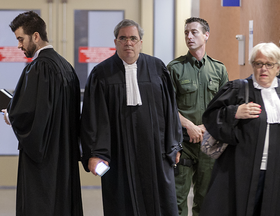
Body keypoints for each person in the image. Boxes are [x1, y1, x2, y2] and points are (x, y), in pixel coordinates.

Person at [80, 19, 183, 216]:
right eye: (123, 38)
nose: (129, 43)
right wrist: (96, 154)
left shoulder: (157, 68)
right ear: (116, 42)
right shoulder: (101, 73)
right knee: (121, 203)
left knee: (160, 202)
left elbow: (171, 109)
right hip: (118, 153)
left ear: (140, 42)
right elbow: (92, 117)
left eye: (133, 38)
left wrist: (174, 145)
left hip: (155, 152)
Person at [1, 11, 83, 216]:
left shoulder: (40, 67)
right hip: (63, 156)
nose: (19, 45)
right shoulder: (66, 67)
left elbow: (29, 113)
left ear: (36, 36)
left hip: (44, 160)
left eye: (21, 39)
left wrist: (11, 114)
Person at [200, 42, 280, 216]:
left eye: (269, 64)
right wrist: (234, 112)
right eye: (258, 63)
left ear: (278, 67)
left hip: (277, 170)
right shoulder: (238, 88)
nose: (263, 69)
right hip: (240, 170)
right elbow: (210, 117)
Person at [167, 17, 228, 216]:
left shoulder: (218, 70)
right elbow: (167, 107)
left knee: (206, 198)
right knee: (177, 199)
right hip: (183, 143)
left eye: (194, 32)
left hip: (209, 142)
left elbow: (225, 106)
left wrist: (204, 127)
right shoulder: (174, 68)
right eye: (186, 32)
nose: (189, 36)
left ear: (206, 35)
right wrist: (189, 126)